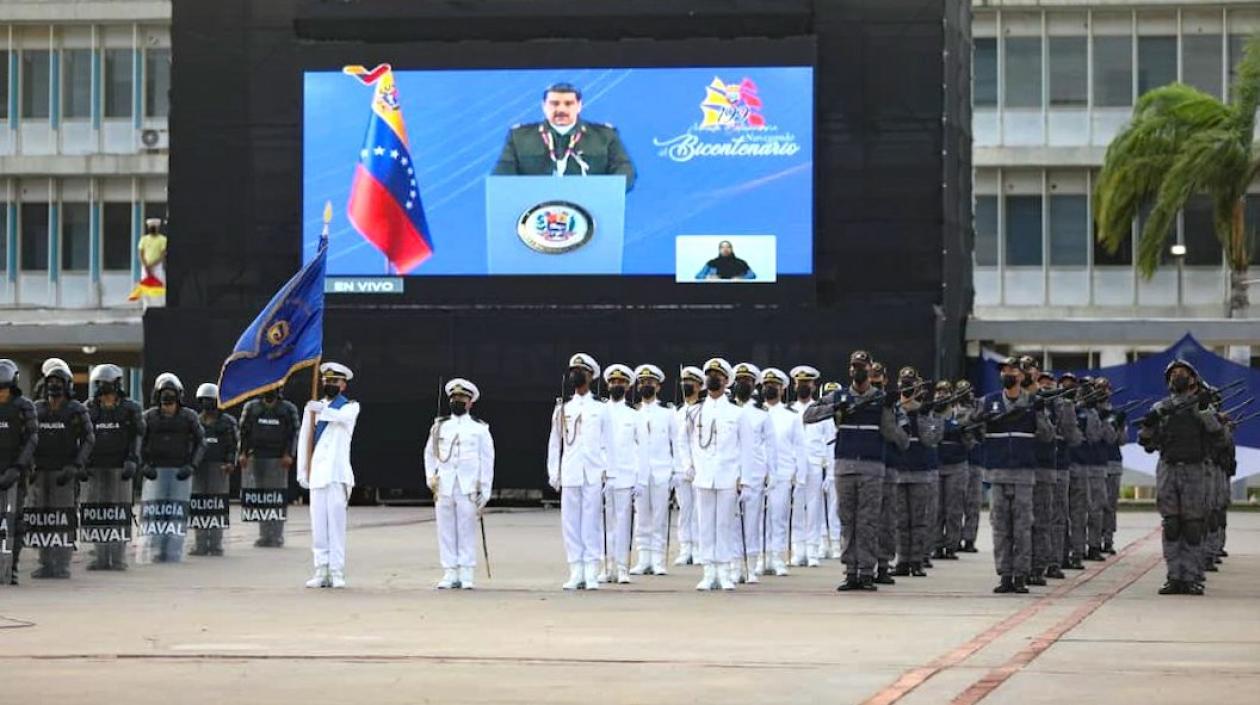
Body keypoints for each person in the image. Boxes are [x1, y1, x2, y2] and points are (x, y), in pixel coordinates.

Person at [1138, 360, 1223, 596]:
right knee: (1172, 525)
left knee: (1193, 525)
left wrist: (1205, 412)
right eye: (1174, 374)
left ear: (1193, 379)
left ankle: (1193, 576)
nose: (1178, 377)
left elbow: (1220, 437)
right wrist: (1148, 423)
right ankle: (1175, 576)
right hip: (1168, 467)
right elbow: (1147, 442)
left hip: (1195, 469)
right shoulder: (1161, 407)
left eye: (1183, 373)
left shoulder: (1201, 406)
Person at [978, 358, 1054, 593]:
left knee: (1022, 527)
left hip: (1023, 473)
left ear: (1022, 376)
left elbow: (1047, 436)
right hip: (997, 473)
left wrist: (1041, 414)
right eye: (1004, 370)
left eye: (1012, 370)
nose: (1007, 373)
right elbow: (969, 429)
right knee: (1000, 528)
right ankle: (1005, 575)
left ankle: (1021, 574)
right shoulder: (988, 401)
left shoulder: (1032, 402)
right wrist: (980, 421)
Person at [548, 353, 614, 590]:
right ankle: (576, 568)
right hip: (571, 470)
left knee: (591, 521)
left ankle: (591, 569)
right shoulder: (563, 408)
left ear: (590, 376)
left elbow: (609, 442)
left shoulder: (601, 408)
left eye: (581, 371)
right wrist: (553, 472)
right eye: (573, 370)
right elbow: (555, 442)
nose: (576, 374)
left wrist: (608, 471)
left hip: (594, 471)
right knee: (571, 522)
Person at [493, 83, 636, 191]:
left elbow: (625, 171)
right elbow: (502, 175)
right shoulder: (519, 137)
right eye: (554, 104)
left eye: (568, 104)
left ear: (579, 106)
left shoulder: (605, 136)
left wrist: (603, 192)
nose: (561, 109)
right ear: (543, 106)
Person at [687, 358, 752, 591]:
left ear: (726, 381)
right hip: (704, 474)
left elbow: (746, 448)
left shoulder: (737, 412)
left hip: (728, 475)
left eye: (718, 375)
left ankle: (724, 570)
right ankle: (708, 571)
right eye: (710, 375)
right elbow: (688, 442)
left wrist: (744, 479)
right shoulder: (695, 411)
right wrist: (690, 466)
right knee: (705, 524)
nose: (713, 378)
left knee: (724, 524)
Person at [424, 378, 494, 590]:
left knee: (466, 528)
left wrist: (486, 487)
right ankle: (449, 571)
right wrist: (431, 477)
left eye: (462, 398)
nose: (457, 401)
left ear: (470, 402)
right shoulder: (440, 426)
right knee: (445, 528)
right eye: (454, 398)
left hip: (468, 484)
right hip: (445, 484)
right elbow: (429, 453)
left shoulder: (479, 429)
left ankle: (466, 571)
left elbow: (487, 458)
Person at [28, 362, 94, 579]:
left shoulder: (77, 410)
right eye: (50, 382)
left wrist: (76, 466)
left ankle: (62, 563)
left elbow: (88, 439)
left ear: (67, 385)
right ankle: (45, 563)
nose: (54, 386)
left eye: (58, 382)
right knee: (42, 518)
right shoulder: (37, 409)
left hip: (64, 473)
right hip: (40, 472)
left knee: (63, 518)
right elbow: (27, 439)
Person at [297, 362, 360, 589]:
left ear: (343, 385)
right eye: (327, 381)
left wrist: (320, 410)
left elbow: (342, 419)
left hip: (337, 475)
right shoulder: (313, 408)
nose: (330, 385)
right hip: (318, 475)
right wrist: (303, 470)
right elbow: (305, 439)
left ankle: (336, 571)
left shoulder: (349, 407)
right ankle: (321, 570)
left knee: (335, 525)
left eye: (335, 382)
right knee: (319, 526)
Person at [84, 364, 145, 570]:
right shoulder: (89, 408)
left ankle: (118, 558)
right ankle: (100, 557)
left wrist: (133, 459)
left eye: (108, 384)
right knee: (98, 512)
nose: (105, 388)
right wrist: (81, 462)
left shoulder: (131, 408)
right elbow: (81, 438)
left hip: (121, 468)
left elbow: (137, 436)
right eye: (101, 384)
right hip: (95, 468)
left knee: (119, 511)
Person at [139, 373, 204, 564]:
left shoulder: (189, 417)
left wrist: (192, 466)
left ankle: (174, 551)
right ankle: (155, 550)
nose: (167, 397)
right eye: (164, 393)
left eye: (171, 393)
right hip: (155, 472)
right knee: (155, 512)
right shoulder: (149, 417)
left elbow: (201, 442)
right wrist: (143, 465)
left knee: (176, 512)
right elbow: (138, 443)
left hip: (180, 472)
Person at [886, 367, 944, 578]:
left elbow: (932, 439)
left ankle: (917, 560)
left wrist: (924, 415)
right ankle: (902, 560)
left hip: (921, 470)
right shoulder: (893, 409)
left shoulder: (925, 410)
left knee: (919, 520)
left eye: (911, 383)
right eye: (904, 382)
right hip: (900, 470)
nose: (907, 386)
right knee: (900, 520)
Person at [599, 364, 645, 584]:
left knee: (623, 522)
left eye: (621, 383)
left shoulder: (634, 415)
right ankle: (607, 566)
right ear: (608, 384)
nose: (617, 385)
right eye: (613, 382)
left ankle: (622, 567)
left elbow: (641, 449)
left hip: (626, 476)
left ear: (628, 386)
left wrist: (640, 479)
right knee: (605, 524)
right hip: (604, 476)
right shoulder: (600, 411)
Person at [731, 363, 776, 583]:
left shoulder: (761, 414)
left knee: (751, 520)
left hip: (755, 473)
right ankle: (733, 564)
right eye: (739, 380)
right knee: (730, 522)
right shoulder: (728, 410)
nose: (743, 384)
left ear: (754, 384)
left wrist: (771, 472)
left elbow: (770, 446)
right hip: (729, 472)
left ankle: (750, 564)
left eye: (747, 381)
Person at [238, 388, 300, 547]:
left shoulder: (287, 408)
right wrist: (242, 453)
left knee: (275, 497)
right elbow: (243, 432)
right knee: (261, 497)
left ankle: (276, 535)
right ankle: (264, 534)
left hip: (278, 459)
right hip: (257, 458)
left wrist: (289, 454)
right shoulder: (251, 407)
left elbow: (294, 433)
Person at [630, 364, 673, 577]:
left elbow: (677, 443)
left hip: (662, 470)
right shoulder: (633, 412)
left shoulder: (668, 412)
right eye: (643, 383)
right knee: (641, 516)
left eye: (650, 383)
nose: (646, 386)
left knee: (659, 516)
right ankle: (643, 557)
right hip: (639, 473)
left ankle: (657, 559)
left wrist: (676, 471)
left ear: (658, 386)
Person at [761, 367, 805, 577]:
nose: (770, 388)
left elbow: (800, 447)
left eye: (775, 386)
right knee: (759, 517)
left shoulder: (791, 416)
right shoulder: (756, 413)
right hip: (759, 474)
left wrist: (800, 475)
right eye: (767, 385)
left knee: (778, 516)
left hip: (783, 472)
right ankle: (762, 556)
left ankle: (777, 557)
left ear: (783, 389)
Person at [0, 359, 39, 585]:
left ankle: (11, 567)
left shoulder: (24, 406)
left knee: (15, 521)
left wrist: (18, 467)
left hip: (15, 472)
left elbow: (32, 439)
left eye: (4, 391)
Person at [787, 365, 827, 567]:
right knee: (795, 510)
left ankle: (812, 549)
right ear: (794, 385)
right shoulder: (789, 410)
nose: (803, 386)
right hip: (793, 465)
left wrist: (829, 471)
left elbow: (830, 440)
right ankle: (798, 549)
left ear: (813, 385)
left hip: (814, 463)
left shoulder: (821, 409)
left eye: (807, 383)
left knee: (814, 508)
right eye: (800, 383)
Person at [190, 383, 237, 557]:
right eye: (204, 400)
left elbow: (233, 445)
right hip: (199, 467)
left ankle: (216, 544)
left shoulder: (227, 422)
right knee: (199, 504)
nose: (207, 404)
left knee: (217, 505)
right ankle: (200, 543)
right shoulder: (195, 420)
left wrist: (230, 462)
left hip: (219, 467)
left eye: (210, 400)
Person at [933, 381, 970, 562]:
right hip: (937, 465)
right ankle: (937, 545)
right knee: (937, 509)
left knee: (954, 509)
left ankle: (951, 546)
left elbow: (970, 441)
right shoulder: (931, 414)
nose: (941, 395)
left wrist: (961, 430)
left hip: (957, 465)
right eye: (938, 392)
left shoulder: (960, 414)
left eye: (945, 392)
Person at [671, 366, 703, 566]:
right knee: (685, 509)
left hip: (699, 467)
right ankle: (686, 547)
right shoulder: (677, 412)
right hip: (681, 468)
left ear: (700, 386)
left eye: (690, 382)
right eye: (684, 382)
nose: (686, 386)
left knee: (699, 510)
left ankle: (699, 547)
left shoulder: (703, 409)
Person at [958, 380, 984, 554]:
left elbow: (983, 433)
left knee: (973, 504)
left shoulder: (979, 409)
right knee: (955, 504)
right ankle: (952, 539)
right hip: (958, 460)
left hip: (975, 461)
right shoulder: (951, 410)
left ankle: (969, 539)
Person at [819, 381, 842, 560]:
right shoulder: (818, 416)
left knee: (835, 506)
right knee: (818, 507)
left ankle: (835, 541)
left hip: (836, 464)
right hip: (818, 464)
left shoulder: (843, 415)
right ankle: (822, 541)